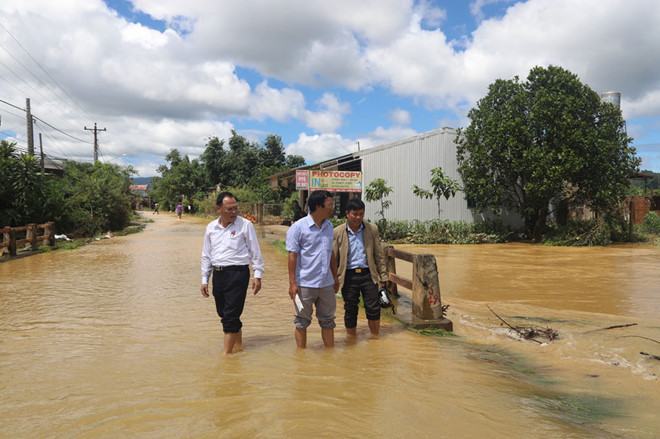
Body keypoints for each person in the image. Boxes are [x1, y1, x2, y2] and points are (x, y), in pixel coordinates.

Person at [200, 191, 264, 355]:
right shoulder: (211, 228)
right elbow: (206, 255)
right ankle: (238, 347)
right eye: (229, 209)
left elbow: (255, 251)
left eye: (235, 208)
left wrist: (257, 275)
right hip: (218, 274)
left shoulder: (245, 225)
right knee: (224, 313)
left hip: (238, 273)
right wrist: (204, 279)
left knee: (229, 315)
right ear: (219, 209)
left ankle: (227, 357)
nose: (233, 212)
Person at [286, 190, 339, 349]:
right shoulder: (298, 228)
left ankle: (329, 355)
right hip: (305, 284)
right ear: (318, 206)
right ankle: (301, 358)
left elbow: (331, 254)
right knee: (302, 322)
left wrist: (335, 278)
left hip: (326, 284)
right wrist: (292, 283)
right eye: (330, 205)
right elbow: (292, 256)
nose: (332, 208)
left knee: (328, 321)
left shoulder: (329, 226)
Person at [333, 199, 388, 338]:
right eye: (355, 214)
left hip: (368, 274)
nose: (358, 217)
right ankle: (351, 339)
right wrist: (333, 278)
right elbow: (333, 258)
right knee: (350, 309)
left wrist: (384, 276)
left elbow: (379, 254)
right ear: (347, 214)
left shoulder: (372, 229)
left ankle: (375, 338)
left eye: (361, 214)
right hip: (348, 275)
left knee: (373, 308)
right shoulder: (338, 232)